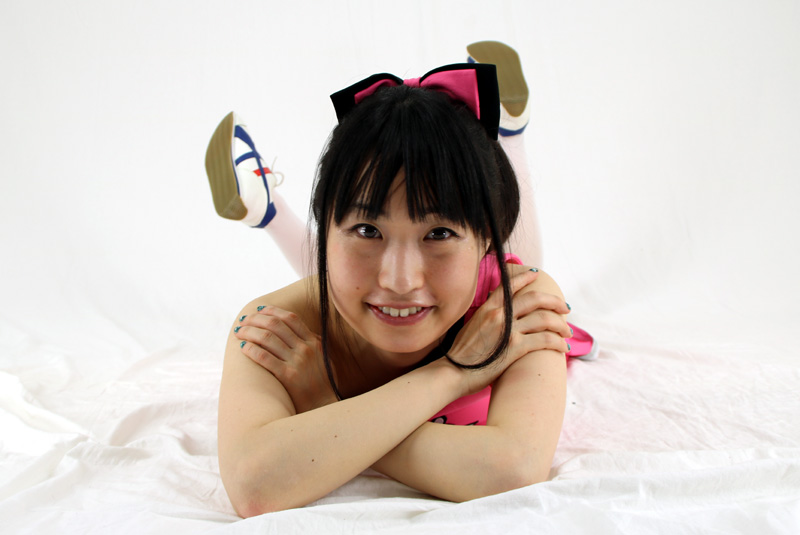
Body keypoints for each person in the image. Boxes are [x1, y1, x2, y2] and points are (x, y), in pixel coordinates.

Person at [208, 42, 595, 516]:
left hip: (483, 289)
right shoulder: (275, 325)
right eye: (366, 231)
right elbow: (256, 486)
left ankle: (510, 136)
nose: (400, 279)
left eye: (439, 233)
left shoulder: (516, 306)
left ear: (483, 244)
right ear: (324, 232)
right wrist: (454, 372)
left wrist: (327, 403)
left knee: (528, 258)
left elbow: (512, 471)